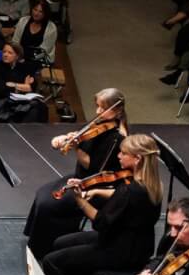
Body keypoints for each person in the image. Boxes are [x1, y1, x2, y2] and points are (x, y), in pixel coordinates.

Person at [42, 133, 165, 275]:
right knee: (61, 243)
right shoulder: (152, 183)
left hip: (120, 249)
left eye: (123, 153)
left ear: (137, 159)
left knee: (51, 263)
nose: (118, 156)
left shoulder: (131, 191)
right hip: (137, 243)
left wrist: (80, 200)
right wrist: (98, 190)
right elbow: (122, 198)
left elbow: (100, 222)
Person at [23, 87, 129, 256]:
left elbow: (91, 166)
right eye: (97, 106)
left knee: (48, 205)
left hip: (92, 185)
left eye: (103, 108)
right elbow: (82, 136)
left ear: (116, 110)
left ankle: (46, 248)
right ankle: (35, 237)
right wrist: (64, 138)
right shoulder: (99, 124)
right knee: (42, 192)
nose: (98, 111)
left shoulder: (117, 138)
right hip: (79, 179)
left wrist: (76, 147)